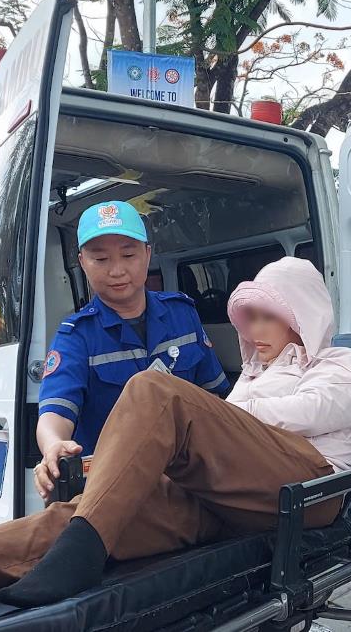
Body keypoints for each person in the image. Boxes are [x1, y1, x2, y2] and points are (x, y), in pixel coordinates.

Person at [0, 256, 351, 606]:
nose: (255, 330)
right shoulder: (255, 373)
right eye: (250, 317)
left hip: (309, 490)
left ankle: (81, 545)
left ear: (301, 315)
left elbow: (312, 410)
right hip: (236, 498)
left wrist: (221, 416)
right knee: (112, 505)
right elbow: (228, 427)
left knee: (156, 390)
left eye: (267, 317)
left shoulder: (340, 364)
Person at [32, 200, 229, 501]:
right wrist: (53, 445)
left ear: (147, 254)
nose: (117, 270)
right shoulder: (76, 336)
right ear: (82, 262)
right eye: (101, 259)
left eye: (128, 255)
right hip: (114, 489)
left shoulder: (182, 314)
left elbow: (214, 397)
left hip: (187, 483)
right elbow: (55, 413)